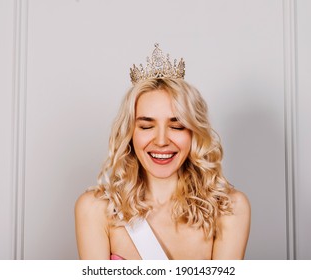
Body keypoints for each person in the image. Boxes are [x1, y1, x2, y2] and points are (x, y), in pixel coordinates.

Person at [75, 44, 251, 260]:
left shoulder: (229, 209)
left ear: (194, 132)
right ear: (130, 133)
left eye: (176, 126)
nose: (161, 141)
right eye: (146, 126)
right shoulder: (95, 210)